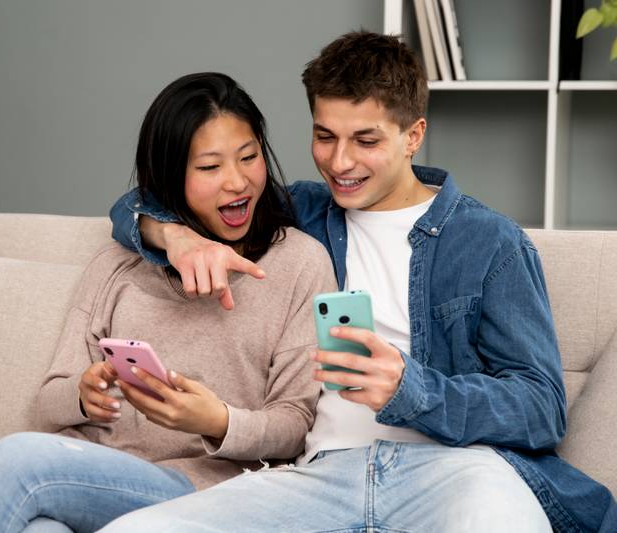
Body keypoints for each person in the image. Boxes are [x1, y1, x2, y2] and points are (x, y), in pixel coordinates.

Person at [102, 32, 616, 532]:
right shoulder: (301, 211)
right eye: (325, 136)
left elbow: (539, 409)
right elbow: (138, 202)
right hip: (319, 475)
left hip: (452, 471)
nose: (339, 162)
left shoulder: (490, 243)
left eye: (365, 140)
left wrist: (411, 389)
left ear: (413, 135)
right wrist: (174, 238)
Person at [0, 72, 336, 532]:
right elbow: (48, 403)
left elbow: (295, 423)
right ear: (168, 176)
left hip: (204, 492)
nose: (237, 182)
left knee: (13, 460)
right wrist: (83, 396)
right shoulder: (117, 264)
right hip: (91, 478)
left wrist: (217, 421)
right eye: (209, 168)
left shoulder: (300, 264)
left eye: (249, 157)